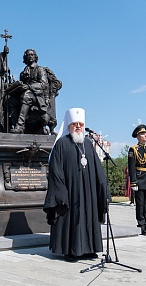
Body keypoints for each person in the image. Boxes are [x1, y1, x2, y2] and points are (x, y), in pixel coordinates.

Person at [43, 108, 109, 262]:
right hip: (70, 192)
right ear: (68, 126)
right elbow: (55, 170)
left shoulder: (88, 144)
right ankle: (70, 250)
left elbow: (98, 169)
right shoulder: (61, 143)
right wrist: (61, 192)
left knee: (88, 217)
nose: (78, 126)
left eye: (81, 124)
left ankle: (88, 248)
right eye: (75, 124)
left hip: (88, 192)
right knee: (72, 219)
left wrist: (103, 188)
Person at [9, 49, 49, 134]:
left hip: (37, 96)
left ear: (35, 57)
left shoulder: (40, 69)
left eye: (32, 55)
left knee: (26, 96)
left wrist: (29, 86)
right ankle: (15, 124)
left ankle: (20, 126)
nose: (30, 56)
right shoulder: (23, 73)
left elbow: (44, 84)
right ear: (25, 58)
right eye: (28, 55)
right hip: (25, 93)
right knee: (10, 101)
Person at [128, 124, 146, 236]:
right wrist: (133, 182)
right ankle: (141, 225)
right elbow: (131, 167)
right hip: (139, 179)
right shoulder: (133, 149)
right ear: (137, 136)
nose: (145, 135)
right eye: (142, 133)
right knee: (140, 204)